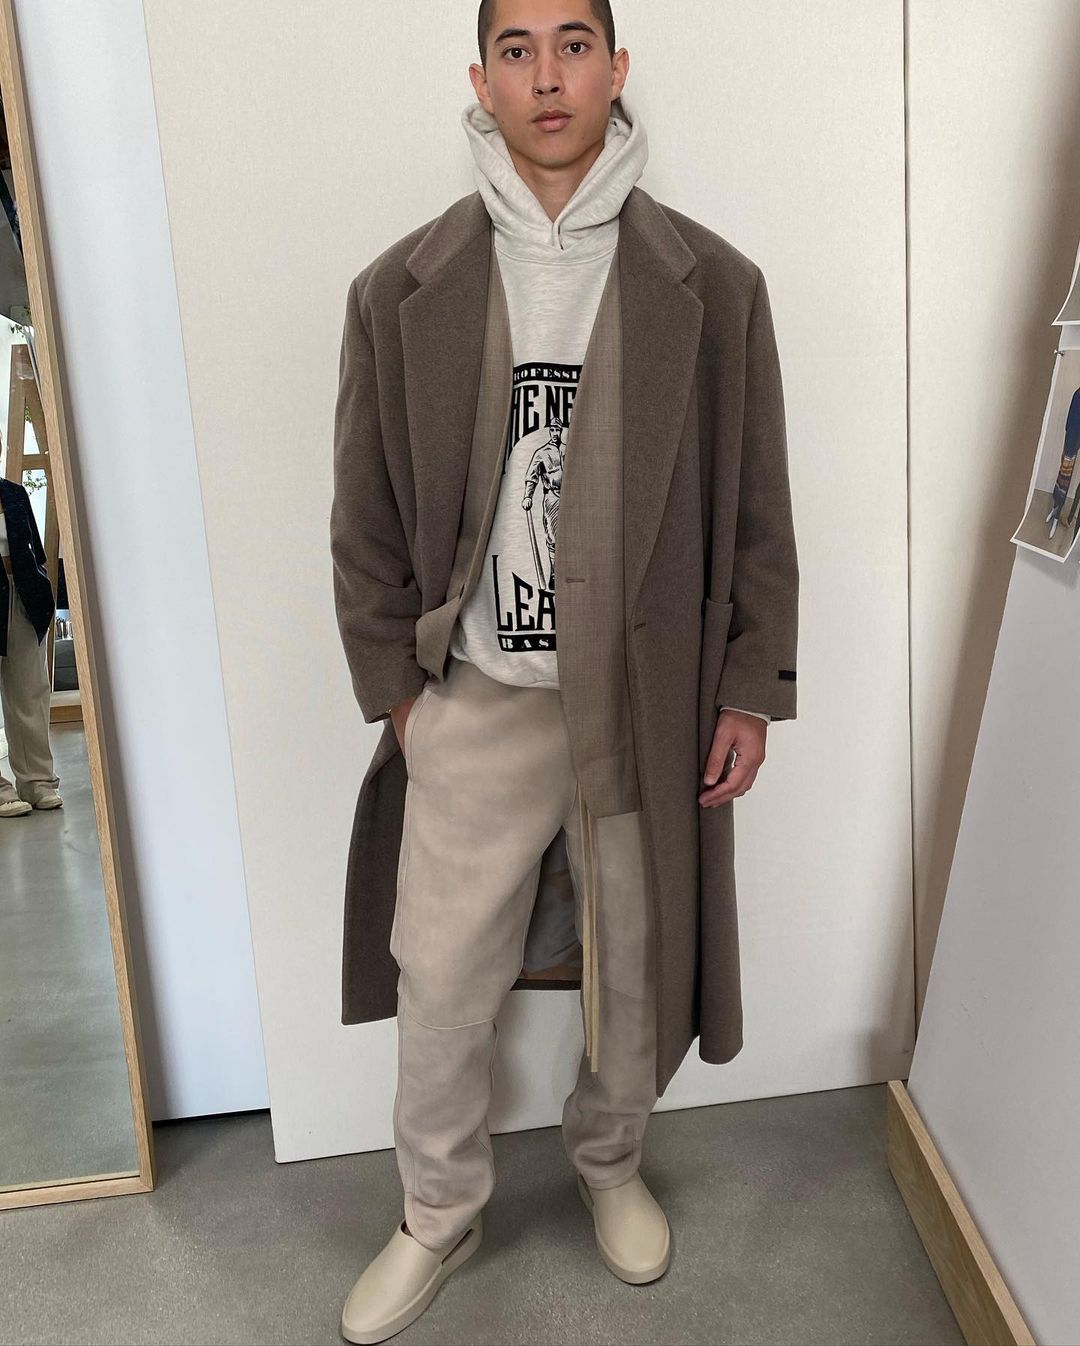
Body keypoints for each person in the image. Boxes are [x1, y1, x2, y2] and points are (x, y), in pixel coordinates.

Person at [331, 2, 798, 1340]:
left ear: (616, 67)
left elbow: (758, 511)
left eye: (575, 44)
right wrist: (402, 695)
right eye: (519, 49)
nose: (549, 76)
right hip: (475, 697)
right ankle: (436, 1210)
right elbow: (363, 514)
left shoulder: (714, 286)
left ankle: (610, 1161)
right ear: (483, 78)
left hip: (644, 700)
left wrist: (749, 686)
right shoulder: (397, 288)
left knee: (633, 967)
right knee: (441, 980)